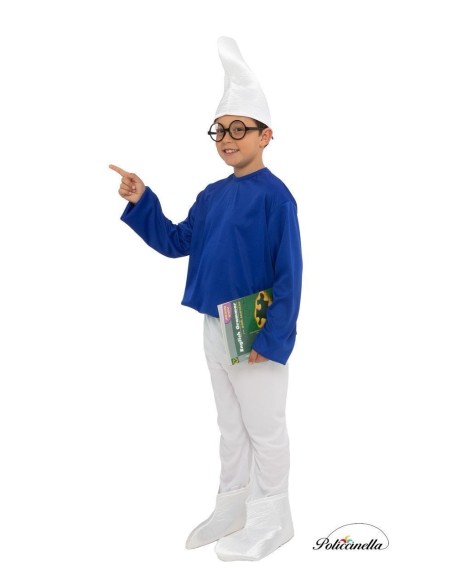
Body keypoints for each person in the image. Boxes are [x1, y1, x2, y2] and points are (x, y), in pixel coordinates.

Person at [109, 37, 303, 562]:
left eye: (240, 129)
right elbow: (177, 241)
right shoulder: (212, 195)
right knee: (230, 425)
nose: (228, 139)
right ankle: (232, 506)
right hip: (216, 326)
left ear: (265, 135)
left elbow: (290, 274)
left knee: (265, 427)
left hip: (256, 330)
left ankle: (272, 517)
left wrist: (273, 337)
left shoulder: (276, 197)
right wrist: (142, 200)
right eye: (221, 130)